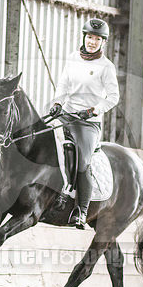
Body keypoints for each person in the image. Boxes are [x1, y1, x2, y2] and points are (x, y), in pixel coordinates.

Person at [50, 18, 120, 229]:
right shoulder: (72, 58)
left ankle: (81, 209)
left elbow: (113, 97)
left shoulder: (106, 67)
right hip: (67, 115)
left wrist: (93, 110)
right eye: (89, 37)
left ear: (103, 42)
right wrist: (56, 103)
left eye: (97, 39)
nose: (92, 42)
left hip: (88, 123)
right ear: (84, 37)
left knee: (83, 162)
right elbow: (63, 85)